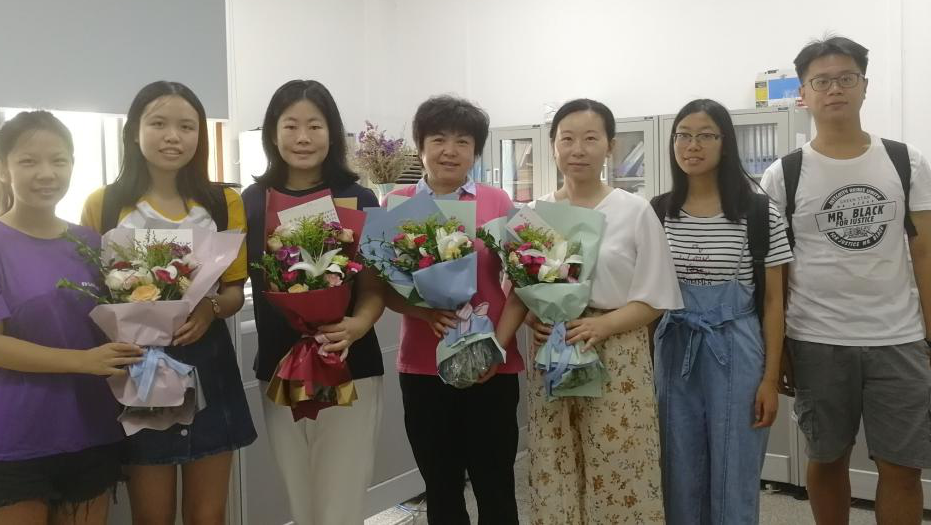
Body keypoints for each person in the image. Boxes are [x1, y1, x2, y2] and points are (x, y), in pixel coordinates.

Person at [761, 36, 931, 525]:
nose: (835, 89)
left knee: (904, 467)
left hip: (899, 339)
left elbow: (927, 255)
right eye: (821, 81)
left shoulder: (905, 161)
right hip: (816, 340)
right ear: (803, 93)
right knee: (827, 460)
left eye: (846, 78)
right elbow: (775, 274)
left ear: (864, 86)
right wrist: (778, 352)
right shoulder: (784, 174)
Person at [0, 111, 139, 525]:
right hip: (14, 437)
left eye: (58, 160)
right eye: (28, 161)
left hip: (90, 428)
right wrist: (83, 361)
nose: (46, 173)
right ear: (2, 169)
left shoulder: (91, 243)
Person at [81, 81, 256, 525]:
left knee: (207, 514)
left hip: (207, 360)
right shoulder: (105, 204)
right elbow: (94, 293)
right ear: (134, 131)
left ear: (200, 135)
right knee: (152, 515)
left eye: (186, 126)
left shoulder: (223, 202)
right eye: (158, 124)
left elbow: (233, 290)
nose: (172, 136)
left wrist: (209, 310)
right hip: (138, 367)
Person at [508, 98, 683, 524]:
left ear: (610, 146)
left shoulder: (634, 210)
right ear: (553, 145)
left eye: (590, 138)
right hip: (553, 349)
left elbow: (655, 298)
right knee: (556, 459)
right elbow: (518, 290)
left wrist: (601, 326)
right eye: (567, 139)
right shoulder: (534, 214)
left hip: (617, 351)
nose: (578, 149)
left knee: (618, 461)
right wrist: (534, 318)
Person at [242, 79, 386, 525]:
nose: (302, 138)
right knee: (300, 499)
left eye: (315, 126)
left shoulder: (359, 198)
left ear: (332, 133)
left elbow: (375, 284)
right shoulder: (251, 202)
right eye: (290, 126)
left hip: (349, 363)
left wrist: (358, 324)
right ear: (273, 133)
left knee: (340, 502)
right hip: (279, 366)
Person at [651, 98, 793, 524]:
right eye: (683, 136)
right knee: (677, 464)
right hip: (674, 346)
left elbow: (774, 303)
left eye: (705, 136)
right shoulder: (657, 211)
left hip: (738, 346)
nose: (692, 145)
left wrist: (770, 380)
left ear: (725, 143)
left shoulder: (759, 212)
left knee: (736, 466)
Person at [385, 95, 524, 525]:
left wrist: (497, 347)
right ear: (420, 146)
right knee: (441, 486)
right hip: (424, 365)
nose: (450, 150)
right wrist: (425, 313)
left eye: (463, 141)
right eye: (438, 139)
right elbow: (382, 287)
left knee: (495, 483)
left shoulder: (497, 201)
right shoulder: (397, 203)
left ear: (475, 150)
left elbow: (525, 280)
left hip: (493, 366)